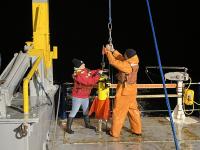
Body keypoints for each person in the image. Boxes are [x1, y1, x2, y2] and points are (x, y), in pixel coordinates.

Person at [103, 44, 142, 138]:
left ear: (127, 57)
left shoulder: (127, 66)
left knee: (119, 112)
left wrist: (108, 51)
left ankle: (115, 133)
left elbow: (113, 61)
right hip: (132, 90)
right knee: (133, 110)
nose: (123, 56)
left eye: (125, 55)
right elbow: (121, 58)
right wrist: (113, 50)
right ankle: (137, 130)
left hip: (125, 91)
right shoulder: (134, 62)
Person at [66, 58, 102, 134]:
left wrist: (99, 70)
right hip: (78, 96)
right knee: (74, 111)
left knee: (86, 111)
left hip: (85, 96)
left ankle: (87, 124)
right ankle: (68, 128)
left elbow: (91, 72)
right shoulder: (78, 75)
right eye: (83, 64)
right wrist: (99, 75)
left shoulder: (85, 70)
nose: (84, 65)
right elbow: (89, 82)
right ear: (79, 66)